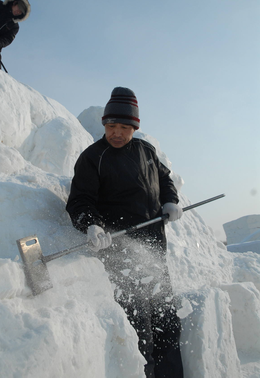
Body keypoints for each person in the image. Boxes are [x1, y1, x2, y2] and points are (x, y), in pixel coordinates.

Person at [66, 87, 184, 378]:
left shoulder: (147, 152)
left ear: (135, 127)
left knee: (167, 326)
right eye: (110, 126)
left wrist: (170, 200)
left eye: (123, 127)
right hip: (121, 261)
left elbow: (165, 178)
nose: (116, 133)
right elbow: (80, 200)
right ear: (104, 125)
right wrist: (90, 224)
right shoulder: (94, 157)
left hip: (155, 257)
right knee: (139, 334)